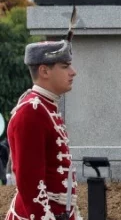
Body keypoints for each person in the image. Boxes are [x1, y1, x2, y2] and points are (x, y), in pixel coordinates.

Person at [5, 40, 81, 220]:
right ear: (44, 71)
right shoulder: (31, 111)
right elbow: (29, 183)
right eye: (65, 66)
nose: (73, 72)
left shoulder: (46, 107)